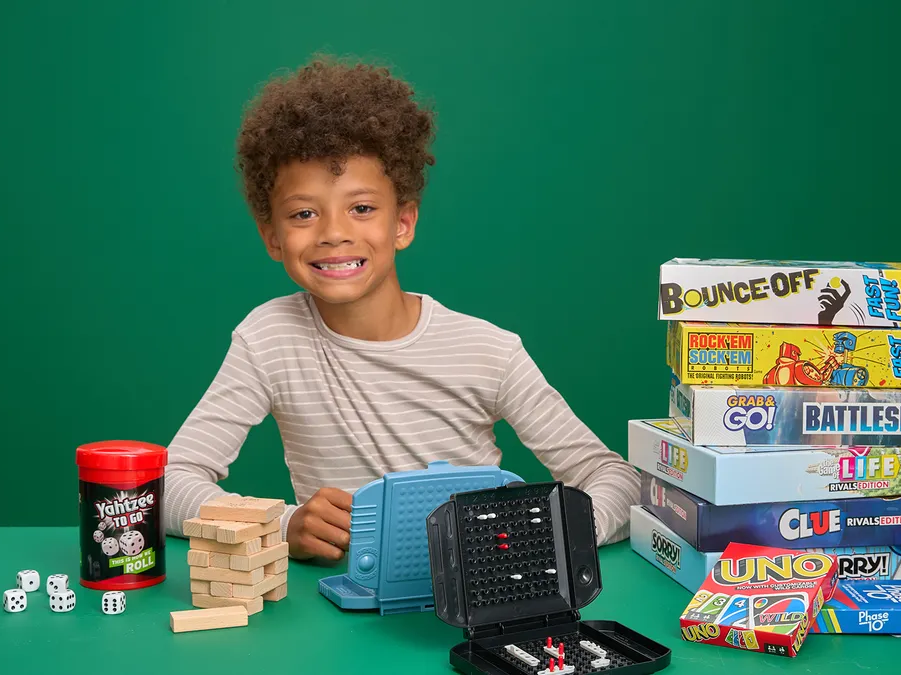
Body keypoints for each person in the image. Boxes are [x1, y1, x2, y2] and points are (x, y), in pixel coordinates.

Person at [163, 54, 641, 561]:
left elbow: (616, 480)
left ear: (403, 223)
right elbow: (169, 481)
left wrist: (544, 539)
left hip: (475, 601)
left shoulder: (488, 352)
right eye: (304, 213)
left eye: (362, 208)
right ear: (272, 237)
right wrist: (282, 525)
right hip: (341, 607)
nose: (333, 233)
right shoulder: (268, 339)